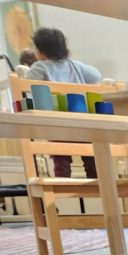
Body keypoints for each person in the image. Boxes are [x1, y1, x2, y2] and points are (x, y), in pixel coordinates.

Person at [27, 28, 102, 179]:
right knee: (90, 157)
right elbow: (96, 75)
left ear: (41, 51)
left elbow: (28, 87)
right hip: (81, 121)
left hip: (57, 123)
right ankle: (96, 183)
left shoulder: (40, 67)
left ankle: (63, 184)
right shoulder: (74, 65)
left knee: (61, 159)